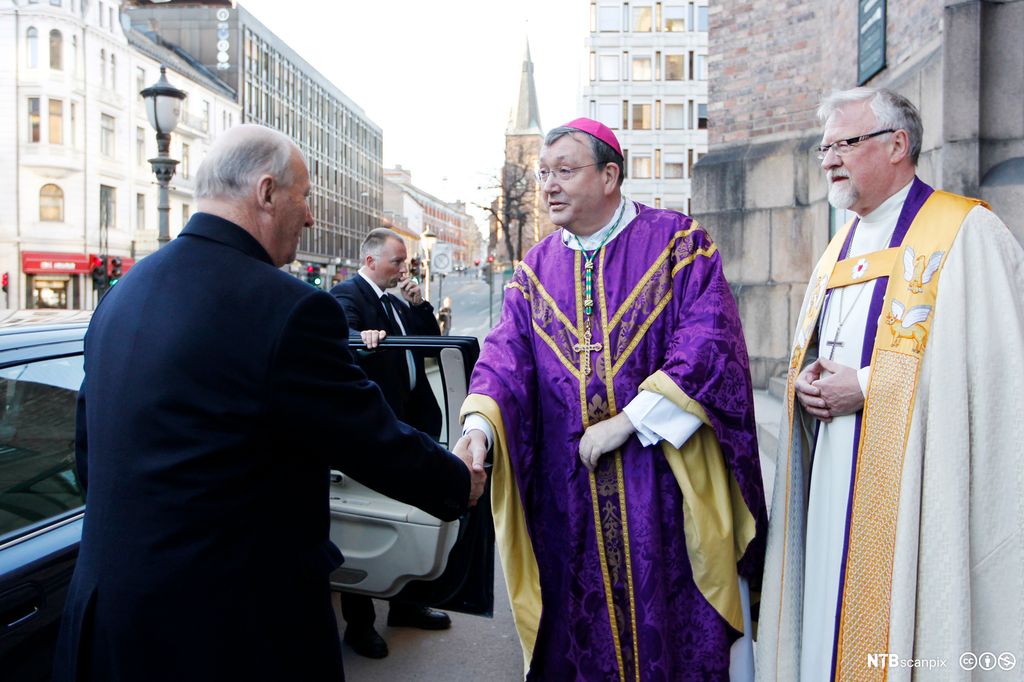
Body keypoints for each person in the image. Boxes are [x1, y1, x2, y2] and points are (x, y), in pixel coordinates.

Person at [53, 124, 486, 682]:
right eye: (304, 197)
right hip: (227, 634)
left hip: (107, 622)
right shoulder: (289, 309)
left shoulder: (123, 294)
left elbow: (90, 453)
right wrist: (457, 479)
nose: (309, 217)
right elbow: (367, 436)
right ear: (265, 193)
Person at [459, 118, 767, 679]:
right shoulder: (533, 271)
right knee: (580, 638)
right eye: (544, 173)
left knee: (669, 632)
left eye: (565, 172)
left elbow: (710, 343)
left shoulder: (678, 243)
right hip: (568, 496)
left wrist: (630, 420)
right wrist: (479, 426)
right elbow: (506, 357)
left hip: (661, 485)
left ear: (609, 175)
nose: (549, 185)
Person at [758, 88, 1024, 680]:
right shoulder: (837, 250)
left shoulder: (965, 232)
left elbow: (996, 369)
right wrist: (808, 382)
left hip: (920, 482)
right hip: (831, 472)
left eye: (843, 144)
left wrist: (872, 386)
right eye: (824, 147)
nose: (828, 158)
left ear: (897, 144)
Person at [330, 228, 450, 658]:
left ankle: (406, 603)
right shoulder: (349, 295)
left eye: (407, 262)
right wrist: (360, 340)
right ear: (370, 261)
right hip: (376, 428)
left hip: (411, 423)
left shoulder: (395, 301)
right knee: (366, 525)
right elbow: (341, 334)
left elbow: (432, 343)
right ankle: (359, 626)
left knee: (409, 512)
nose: (405, 269)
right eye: (398, 261)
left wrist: (418, 304)